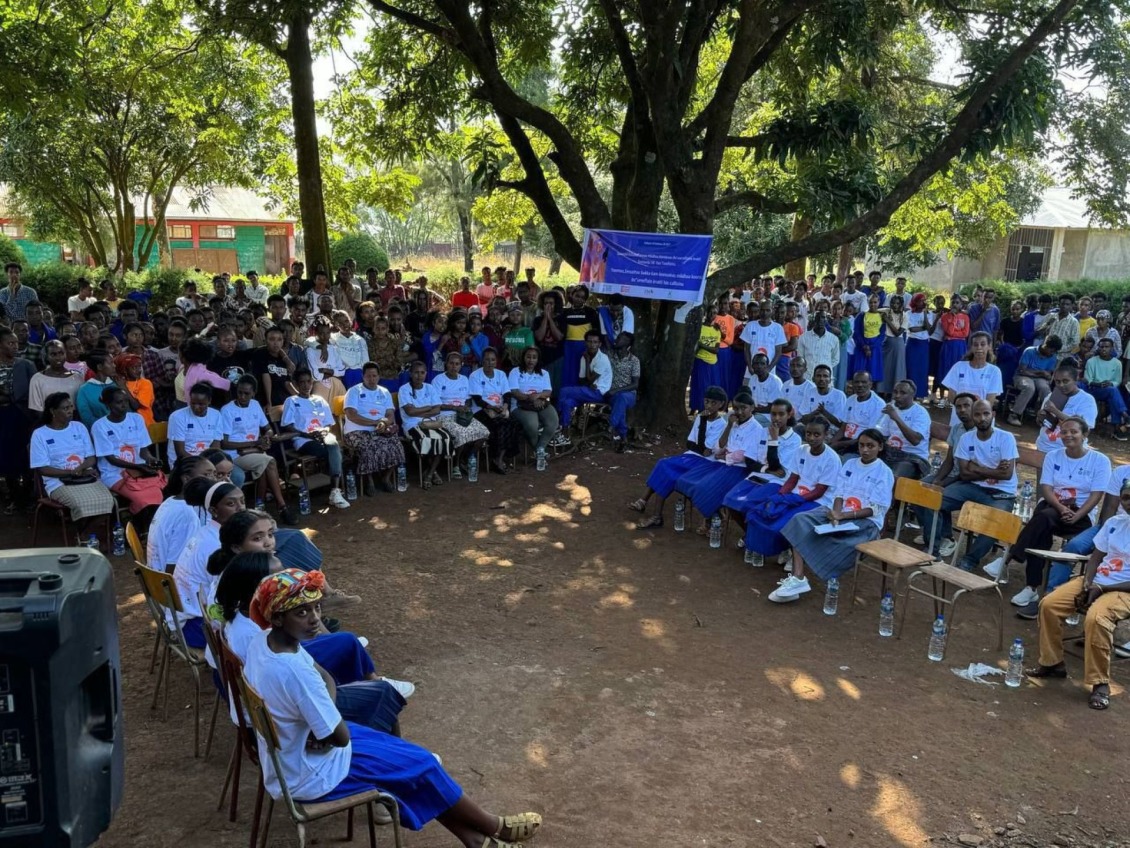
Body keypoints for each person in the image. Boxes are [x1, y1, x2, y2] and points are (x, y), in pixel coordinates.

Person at [240, 568, 542, 846]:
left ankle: (479, 840)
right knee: (421, 763)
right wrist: (325, 714)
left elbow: (323, 676)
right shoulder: (294, 673)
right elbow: (339, 734)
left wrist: (324, 712)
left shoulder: (263, 642)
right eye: (301, 612)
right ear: (277, 618)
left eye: (317, 607)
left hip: (292, 761)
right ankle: (494, 827)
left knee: (410, 761)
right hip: (315, 774)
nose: (314, 618)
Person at [215, 553, 409, 735]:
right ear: (260, 590)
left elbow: (320, 676)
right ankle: (384, 745)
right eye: (278, 577)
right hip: (285, 719)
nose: (286, 577)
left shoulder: (255, 631)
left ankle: (371, 691)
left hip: (284, 708)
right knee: (381, 693)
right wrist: (328, 710)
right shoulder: (259, 642)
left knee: (348, 647)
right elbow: (333, 734)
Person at [983, 417, 1111, 617]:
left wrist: (1077, 515)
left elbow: (1096, 495)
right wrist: (1061, 508)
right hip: (1054, 507)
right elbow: (1047, 489)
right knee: (1044, 520)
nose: (1068, 435)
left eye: (1074, 432)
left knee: (1041, 521)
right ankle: (1031, 588)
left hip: (1081, 515)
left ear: (1085, 434)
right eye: (1064, 432)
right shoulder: (1053, 456)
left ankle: (1009, 561)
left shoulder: (1099, 460)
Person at [1027, 479, 1130, 711]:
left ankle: (1100, 682)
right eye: (1126, 498)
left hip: (1124, 590)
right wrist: (1088, 581)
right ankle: (1053, 663)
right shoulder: (1115, 522)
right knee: (1049, 604)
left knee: (1096, 618)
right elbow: (1095, 557)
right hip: (1098, 582)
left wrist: (1102, 589)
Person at [770, 428, 894, 603]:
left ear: (880, 447)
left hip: (866, 521)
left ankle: (825, 575)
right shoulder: (850, 464)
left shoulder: (884, 472)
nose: (865, 450)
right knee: (800, 520)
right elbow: (839, 494)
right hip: (839, 512)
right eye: (861, 445)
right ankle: (798, 577)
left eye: (870, 446)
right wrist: (836, 512)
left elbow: (875, 509)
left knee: (836, 541)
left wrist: (844, 516)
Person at [723, 411, 833, 566]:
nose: (811, 438)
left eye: (817, 434)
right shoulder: (802, 450)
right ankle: (757, 546)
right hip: (795, 493)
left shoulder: (832, 459)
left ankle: (789, 551)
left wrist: (793, 499)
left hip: (817, 500)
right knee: (761, 512)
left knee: (786, 521)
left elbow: (819, 491)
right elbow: (793, 478)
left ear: (826, 435)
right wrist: (780, 495)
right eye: (808, 433)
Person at [630, 387, 728, 528]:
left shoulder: (722, 425)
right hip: (692, 456)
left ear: (721, 404)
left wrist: (704, 424)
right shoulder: (700, 417)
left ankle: (650, 508)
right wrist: (700, 436)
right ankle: (652, 511)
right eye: (707, 401)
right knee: (664, 465)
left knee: (666, 467)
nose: (709, 406)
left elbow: (706, 451)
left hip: (706, 463)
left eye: (714, 403)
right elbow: (690, 443)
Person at [673, 388, 764, 526]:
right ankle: (714, 515)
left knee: (703, 487)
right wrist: (729, 426)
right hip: (721, 463)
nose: (739, 412)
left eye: (744, 408)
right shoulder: (732, 423)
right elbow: (718, 447)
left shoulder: (757, 429)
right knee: (686, 480)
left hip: (738, 469)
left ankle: (713, 520)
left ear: (752, 408)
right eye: (736, 408)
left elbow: (743, 455)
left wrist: (725, 455)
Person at [175, 479, 247, 647]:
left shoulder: (208, 533)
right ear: (214, 510)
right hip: (197, 626)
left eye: (242, 501)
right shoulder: (216, 544)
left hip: (190, 615)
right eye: (231, 503)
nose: (240, 507)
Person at [31, 393, 117, 534]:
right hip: (58, 483)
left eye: (71, 407)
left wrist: (80, 469)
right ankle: (84, 537)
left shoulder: (79, 427)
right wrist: (71, 472)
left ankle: (84, 535)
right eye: (65, 408)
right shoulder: (40, 434)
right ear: (53, 411)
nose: (70, 411)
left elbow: (91, 458)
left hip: (84, 478)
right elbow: (43, 469)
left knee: (109, 501)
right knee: (82, 504)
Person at [220, 374, 296, 524]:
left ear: (253, 393)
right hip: (235, 454)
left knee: (264, 464)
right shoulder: (227, 410)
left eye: (246, 393)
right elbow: (225, 443)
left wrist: (266, 438)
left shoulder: (255, 405)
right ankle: (282, 506)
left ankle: (258, 508)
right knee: (270, 462)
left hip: (255, 451)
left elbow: (267, 429)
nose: (242, 396)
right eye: (239, 392)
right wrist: (254, 443)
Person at [278, 369, 350, 509]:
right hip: (303, 439)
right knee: (331, 452)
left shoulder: (319, 400)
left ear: (312, 382)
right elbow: (288, 426)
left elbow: (328, 424)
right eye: (302, 383)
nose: (306, 385)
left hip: (321, 435)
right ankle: (335, 488)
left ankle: (334, 491)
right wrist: (307, 434)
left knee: (333, 444)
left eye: (308, 381)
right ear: (296, 384)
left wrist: (324, 431)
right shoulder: (291, 401)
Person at [92, 386, 165, 523]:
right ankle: (137, 527)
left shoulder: (136, 419)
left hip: (140, 471)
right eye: (119, 402)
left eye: (126, 401)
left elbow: (143, 450)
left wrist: (150, 459)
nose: (124, 405)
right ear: (108, 405)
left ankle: (146, 527)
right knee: (144, 499)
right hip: (114, 474)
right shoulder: (100, 426)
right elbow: (111, 459)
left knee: (162, 494)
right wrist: (139, 467)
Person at [342, 362, 405, 495]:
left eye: (374, 376)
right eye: (368, 376)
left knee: (396, 444)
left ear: (379, 376)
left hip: (379, 429)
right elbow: (351, 415)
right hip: (356, 430)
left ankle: (386, 478)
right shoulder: (354, 391)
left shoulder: (384, 392)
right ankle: (369, 481)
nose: (371, 379)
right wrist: (375, 423)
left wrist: (385, 423)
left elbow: (390, 414)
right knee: (368, 446)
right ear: (363, 376)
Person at [147, 455, 216, 571]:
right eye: (207, 475)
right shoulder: (186, 515)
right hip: (171, 582)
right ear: (187, 479)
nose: (214, 479)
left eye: (214, 474)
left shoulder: (171, 500)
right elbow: (175, 566)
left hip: (157, 574)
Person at [431, 351, 491, 477]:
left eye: (457, 364)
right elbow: (436, 404)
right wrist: (454, 407)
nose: (454, 366)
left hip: (462, 415)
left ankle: (468, 458)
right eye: (451, 363)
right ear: (446, 364)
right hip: (444, 415)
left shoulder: (464, 379)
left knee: (483, 432)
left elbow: (468, 400)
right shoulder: (438, 380)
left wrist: (466, 407)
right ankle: (455, 465)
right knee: (460, 433)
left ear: (461, 365)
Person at [399, 361, 454, 489]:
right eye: (416, 373)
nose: (419, 376)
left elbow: (437, 410)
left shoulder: (429, 387)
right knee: (425, 439)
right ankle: (432, 473)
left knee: (445, 438)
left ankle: (429, 473)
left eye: (422, 372)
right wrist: (428, 408)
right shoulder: (404, 389)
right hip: (412, 425)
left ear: (426, 373)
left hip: (431, 423)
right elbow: (409, 412)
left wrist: (420, 411)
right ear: (410, 374)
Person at [551, 329, 612, 447]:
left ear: (600, 344)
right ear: (585, 343)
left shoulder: (602, 359)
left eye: (595, 342)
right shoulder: (584, 357)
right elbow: (583, 380)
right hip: (588, 390)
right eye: (589, 342)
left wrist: (589, 363)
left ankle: (555, 424)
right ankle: (565, 434)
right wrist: (589, 381)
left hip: (599, 393)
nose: (592, 345)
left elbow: (589, 380)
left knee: (564, 391)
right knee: (567, 402)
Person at [469, 348, 522, 472]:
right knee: (500, 425)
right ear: (482, 361)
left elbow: (507, 394)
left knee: (514, 423)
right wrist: (492, 407)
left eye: (493, 360)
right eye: (487, 359)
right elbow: (477, 399)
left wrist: (505, 406)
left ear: (496, 361)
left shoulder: (501, 374)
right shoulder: (475, 375)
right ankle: (496, 459)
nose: (490, 362)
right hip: (481, 410)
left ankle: (500, 458)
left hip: (499, 409)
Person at [1034, 364, 1098, 460]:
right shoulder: (1051, 396)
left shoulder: (1086, 399)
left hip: (1070, 451)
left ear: (1076, 380)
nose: (1061, 385)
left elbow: (1083, 426)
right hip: (1045, 447)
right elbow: (1042, 424)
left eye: (1065, 381)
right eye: (1057, 382)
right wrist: (1041, 417)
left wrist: (1055, 411)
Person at [875, 380, 930, 479]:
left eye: (902, 393)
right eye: (895, 392)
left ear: (912, 395)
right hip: (891, 453)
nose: (897, 396)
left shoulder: (920, 413)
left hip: (913, 457)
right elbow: (881, 434)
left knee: (893, 478)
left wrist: (896, 417)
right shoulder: (892, 408)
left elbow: (915, 440)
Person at [508, 347, 558, 454]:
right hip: (520, 405)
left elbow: (548, 391)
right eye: (528, 357)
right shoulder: (515, 372)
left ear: (538, 359)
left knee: (553, 421)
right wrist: (530, 398)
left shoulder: (544, 373)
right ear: (523, 358)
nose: (531, 360)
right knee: (532, 425)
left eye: (534, 357)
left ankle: (540, 449)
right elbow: (514, 391)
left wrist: (538, 396)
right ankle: (539, 452)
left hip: (541, 402)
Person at [1007, 336, 1062, 426]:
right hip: (1021, 376)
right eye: (1051, 350)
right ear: (1046, 345)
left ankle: (1046, 417)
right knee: (1029, 387)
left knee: (1046, 390)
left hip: (1039, 378)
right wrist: (1040, 372)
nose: (1052, 353)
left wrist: (1043, 374)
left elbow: (1048, 373)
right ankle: (1014, 415)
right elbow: (1022, 370)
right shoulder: (1030, 351)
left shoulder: (1053, 357)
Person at [1084, 338, 1129, 439]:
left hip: (1109, 390)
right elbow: (1088, 380)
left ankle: (1116, 428)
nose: (1104, 349)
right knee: (1113, 392)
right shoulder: (1091, 361)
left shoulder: (1117, 363)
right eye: (1101, 347)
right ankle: (1124, 415)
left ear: (1112, 348)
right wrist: (1098, 384)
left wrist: (1110, 383)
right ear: (1098, 348)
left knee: (1112, 394)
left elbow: (1117, 381)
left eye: (1107, 347)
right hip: (1094, 389)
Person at [830, 372, 885, 453]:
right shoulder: (850, 399)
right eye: (856, 382)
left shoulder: (878, 404)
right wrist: (830, 443)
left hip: (862, 444)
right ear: (852, 384)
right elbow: (843, 427)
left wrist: (838, 444)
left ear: (870, 384)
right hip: (845, 440)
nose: (860, 385)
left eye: (864, 382)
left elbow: (870, 436)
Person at [606, 332, 640, 451]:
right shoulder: (610, 356)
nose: (617, 339)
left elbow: (635, 384)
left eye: (621, 338)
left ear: (627, 343)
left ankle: (612, 425)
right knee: (619, 403)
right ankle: (623, 438)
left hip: (629, 395)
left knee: (621, 398)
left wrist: (617, 390)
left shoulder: (634, 360)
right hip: (612, 395)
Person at [29, 339, 83, 412]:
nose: (58, 357)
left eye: (61, 353)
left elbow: (81, 407)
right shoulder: (37, 379)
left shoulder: (77, 377)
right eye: (53, 354)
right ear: (46, 356)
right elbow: (35, 408)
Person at [560, 285, 599, 388]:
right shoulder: (565, 312)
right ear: (571, 295)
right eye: (577, 296)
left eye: (582, 297)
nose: (579, 299)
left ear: (585, 299)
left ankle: (581, 397)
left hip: (584, 347)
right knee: (568, 372)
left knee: (582, 371)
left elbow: (596, 331)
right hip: (568, 347)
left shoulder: (591, 312)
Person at [305, 315, 346, 404]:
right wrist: (333, 373)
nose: (325, 336)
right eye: (321, 333)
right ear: (315, 333)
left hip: (336, 385)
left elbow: (342, 370)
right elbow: (315, 375)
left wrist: (325, 370)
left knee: (340, 413)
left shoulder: (333, 348)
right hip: (320, 385)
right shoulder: (310, 350)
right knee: (319, 413)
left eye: (328, 333)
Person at [740, 300, 786, 378]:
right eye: (762, 310)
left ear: (772, 311)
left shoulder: (778, 328)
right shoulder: (750, 326)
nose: (764, 313)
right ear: (759, 310)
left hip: (769, 374)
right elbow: (746, 349)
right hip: (751, 373)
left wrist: (769, 369)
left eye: (768, 310)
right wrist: (750, 367)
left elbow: (778, 352)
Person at [689, 305, 721, 413]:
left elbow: (716, 350)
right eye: (710, 312)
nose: (712, 315)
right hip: (700, 360)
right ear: (706, 313)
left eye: (715, 313)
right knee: (698, 385)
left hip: (713, 362)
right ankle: (695, 407)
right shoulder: (700, 328)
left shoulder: (717, 329)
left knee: (710, 387)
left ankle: (707, 409)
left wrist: (702, 345)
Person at [795, 311, 839, 382]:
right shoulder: (803, 337)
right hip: (808, 378)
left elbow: (835, 359)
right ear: (814, 320)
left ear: (826, 320)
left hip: (825, 379)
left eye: (823, 318)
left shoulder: (833, 339)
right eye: (817, 318)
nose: (820, 320)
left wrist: (824, 366)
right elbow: (801, 358)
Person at [76, 352, 118, 427]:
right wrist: (107, 426)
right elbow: (86, 417)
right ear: (99, 367)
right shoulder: (84, 390)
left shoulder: (116, 384)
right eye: (111, 363)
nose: (114, 366)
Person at [881, 294, 908, 393]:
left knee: (897, 368)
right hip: (887, 342)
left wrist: (887, 320)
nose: (894, 305)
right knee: (885, 367)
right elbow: (874, 310)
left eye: (897, 303)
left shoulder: (904, 315)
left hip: (898, 344)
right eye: (892, 302)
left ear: (901, 304)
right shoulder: (887, 311)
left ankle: (895, 391)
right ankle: (883, 390)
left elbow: (897, 333)